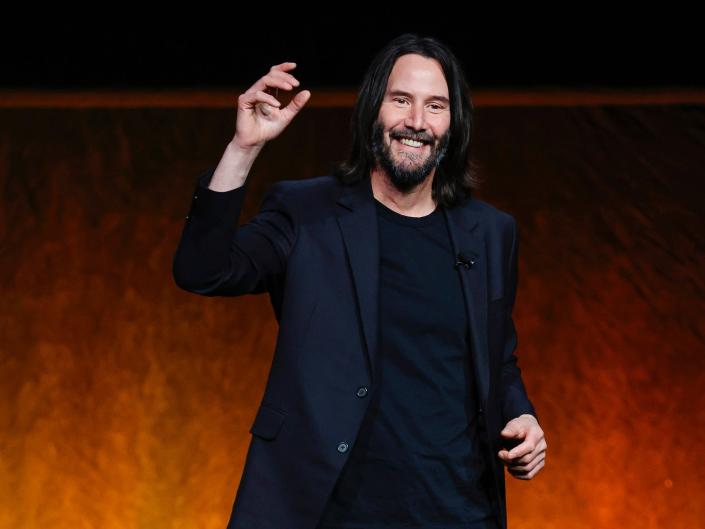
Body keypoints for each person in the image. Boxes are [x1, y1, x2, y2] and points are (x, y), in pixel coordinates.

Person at [173, 33, 546, 529]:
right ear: (374, 109)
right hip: (328, 508)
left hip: (455, 509)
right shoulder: (308, 213)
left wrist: (522, 416)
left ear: (454, 124)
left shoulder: (490, 233)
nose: (417, 121)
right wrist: (243, 150)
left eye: (435, 105)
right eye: (401, 100)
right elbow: (204, 271)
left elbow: (497, 358)